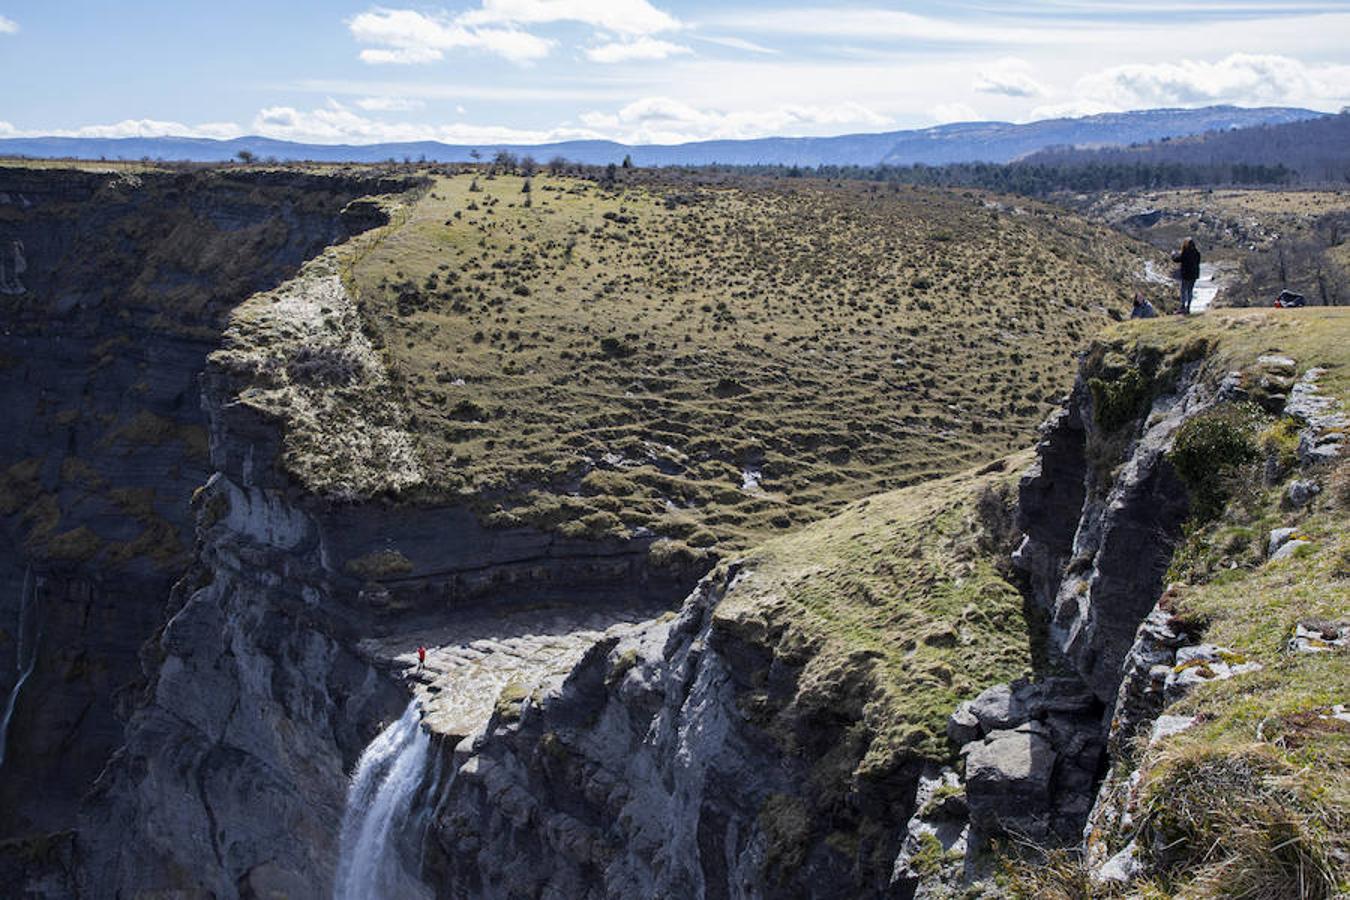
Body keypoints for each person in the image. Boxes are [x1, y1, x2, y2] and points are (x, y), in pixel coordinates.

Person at [1172, 238, 1201, 314]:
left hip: (1186, 275)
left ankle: (1182, 307)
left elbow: (1176, 259)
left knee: (1183, 291)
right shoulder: (1197, 253)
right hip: (1194, 275)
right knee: (1190, 291)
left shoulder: (1185, 253)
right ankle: (1188, 307)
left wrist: (1173, 254)